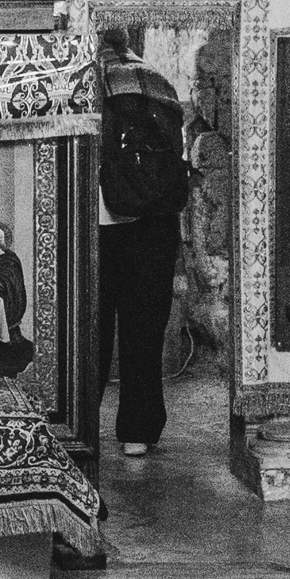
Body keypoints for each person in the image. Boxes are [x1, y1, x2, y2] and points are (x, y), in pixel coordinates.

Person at [96, 36, 193, 455]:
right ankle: (138, 430)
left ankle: (79, 426)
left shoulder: (90, 79)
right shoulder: (161, 82)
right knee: (145, 331)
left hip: (99, 221)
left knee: (90, 331)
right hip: (156, 222)